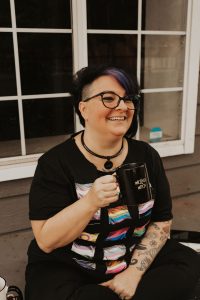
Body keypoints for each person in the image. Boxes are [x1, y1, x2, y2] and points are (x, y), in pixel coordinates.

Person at [25, 65, 200, 300]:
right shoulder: (55, 163)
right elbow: (46, 241)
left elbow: (161, 220)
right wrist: (89, 203)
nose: (122, 106)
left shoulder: (146, 155)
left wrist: (133, 274)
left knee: (187, 263)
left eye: (128, 99)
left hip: (131, 256)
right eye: (108, 98)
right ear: (83, 108)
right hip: (71, 267)